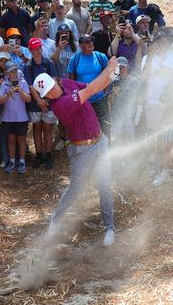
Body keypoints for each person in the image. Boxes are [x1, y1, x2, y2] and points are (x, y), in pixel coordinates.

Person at [32, 56, 119, 247]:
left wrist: (111, 74)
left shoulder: (67, 83)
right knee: (76, 189)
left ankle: (110, 227)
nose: (52, 93)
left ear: (55, 81)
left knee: (104, 185)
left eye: (51, 87)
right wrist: (109, 69)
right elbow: (90, 90)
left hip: (100, 141)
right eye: (47, 93)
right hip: (81, 150)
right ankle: (55, 222)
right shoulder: (60, 105)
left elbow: (91, 86)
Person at [24, 38, 59, 170]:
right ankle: (39, 155)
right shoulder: (28, 66)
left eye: (39, 47)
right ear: (30, 50)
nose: (38, 50)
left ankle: (48, 155)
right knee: (37, 129)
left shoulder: (49, 63)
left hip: (48, 103)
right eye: (35, 49)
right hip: (35, 104)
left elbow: (54, 82)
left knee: (48, 129)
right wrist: (39, 101)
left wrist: (46, 101)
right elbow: (30, 86)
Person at [68, 34, 111, 139]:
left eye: (91, 40)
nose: (90, 43)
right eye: (87, 41)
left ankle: (107, 148)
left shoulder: (101, 57)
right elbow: (71, 80)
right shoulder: (75, 59)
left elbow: (108, 74)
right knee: (86, 126)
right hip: (84, 101)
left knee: (104, 125)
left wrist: (105, 91)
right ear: (80, 44)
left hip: (100, 99)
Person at [0, 64, 31, 174]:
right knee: (11, 140)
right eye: (12, 72)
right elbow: (0, 101)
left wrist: (20, 91)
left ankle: (22, 161)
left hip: (21, 118)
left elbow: (28, 99)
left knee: (21, 140)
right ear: (7, 73)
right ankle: (12, 161)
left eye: (15, 71)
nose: (14, 74)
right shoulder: (4, 84)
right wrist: (8, 94)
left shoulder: (23, 83)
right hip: (7, 118)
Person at [110, 56, 140, 143]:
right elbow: (108, 98)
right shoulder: (113, 81)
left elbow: (133, 96)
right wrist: (112, 93)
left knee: (129, 139)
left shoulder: (134, 81)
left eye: (123, 67)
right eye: (118, 67)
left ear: (127, 67)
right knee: (115, 139)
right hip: (116, 115)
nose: (120, 69)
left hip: (129, 115)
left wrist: (120, 90)